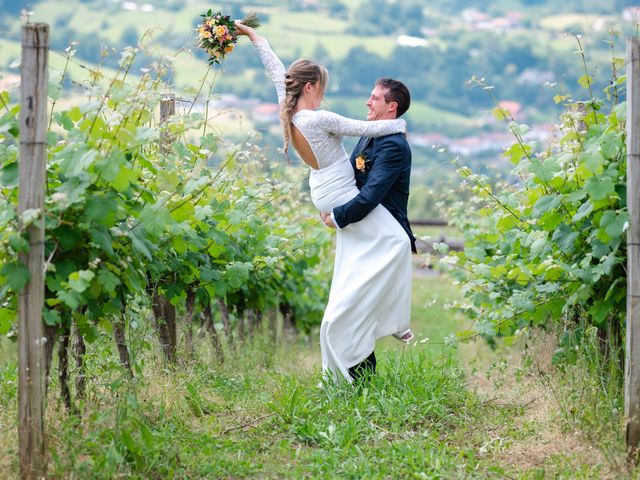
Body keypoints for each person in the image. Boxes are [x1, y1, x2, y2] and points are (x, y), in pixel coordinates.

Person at [235, 22, 413, 383]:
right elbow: (371, 129)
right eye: (322, 88)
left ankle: (388, 318)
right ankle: (394, 318)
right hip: (340, 193)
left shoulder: (287, 108)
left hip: (324, 189)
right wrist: (402, 126)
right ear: (312, 86)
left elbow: (274, 69)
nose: (324, 94)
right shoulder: (319, 119)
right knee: (396, 242)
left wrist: (258, 40)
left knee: (382, 248)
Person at [320, 78, 417, 378]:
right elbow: (349, 176)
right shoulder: (368, 137)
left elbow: (371, 194)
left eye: (374, 98)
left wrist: (338, 216)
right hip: (363, 237)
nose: (367, 102)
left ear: (392, 107)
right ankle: (352, 383)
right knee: (348, 313)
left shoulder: (394, 146)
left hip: (384, 239)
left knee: (351, 312)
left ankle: (355, 381)